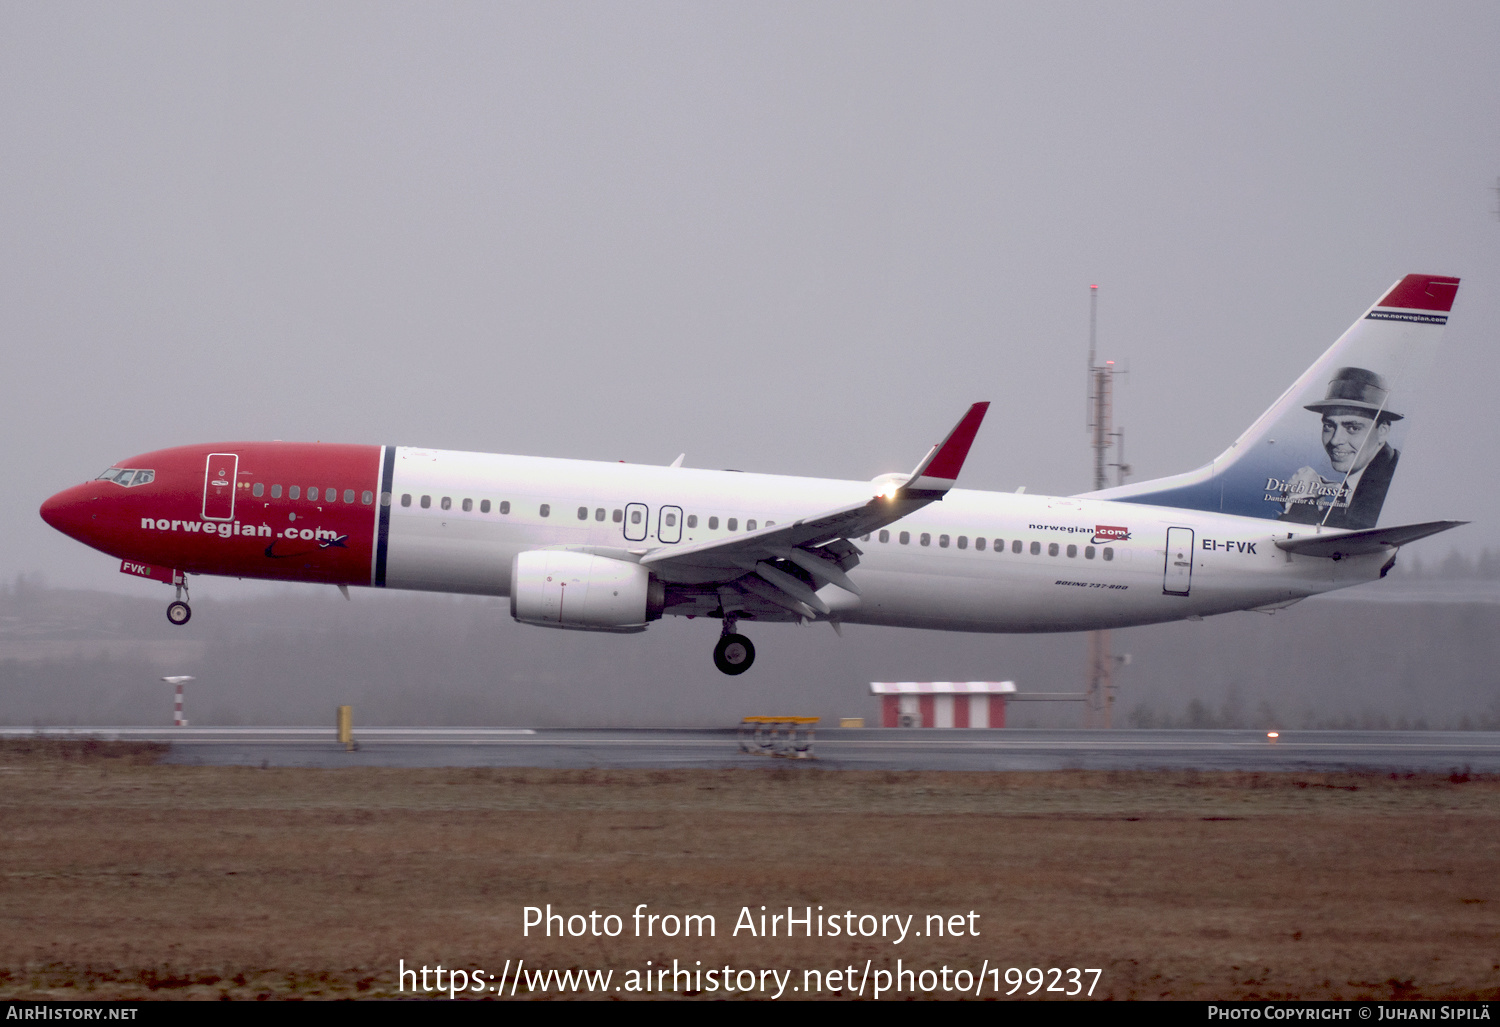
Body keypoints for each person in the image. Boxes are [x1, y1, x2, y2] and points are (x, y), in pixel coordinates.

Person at [1279, 366, 1400, 529]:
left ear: (1383, 431)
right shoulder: (1362, 482)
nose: (1335, 440)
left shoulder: (1391, 485)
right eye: (1329, 426)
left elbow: (1350, 547)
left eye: (1353, 428)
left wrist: (1302, 500)